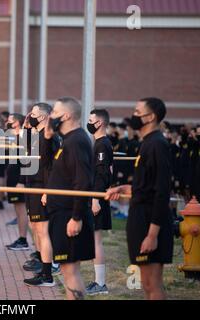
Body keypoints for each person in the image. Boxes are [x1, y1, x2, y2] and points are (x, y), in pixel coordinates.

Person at [106, 97, 173, 300]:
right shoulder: (147, 144)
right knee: (145, 283)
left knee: (152, 284)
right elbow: (147, 186)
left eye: (137, 112)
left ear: (151, 117)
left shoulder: (157, 144)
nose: (134, 116)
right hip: (139, 218)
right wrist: (126, 187)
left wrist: (152, 235)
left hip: (149, 222)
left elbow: (162, 193)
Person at [44, 97, 95, 299]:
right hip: (60, 213)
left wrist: (76, 217)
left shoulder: (76, 141)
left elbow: (83, 182)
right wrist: (48, 137)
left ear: (66, 116)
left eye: (54, 113)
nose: (50, 117)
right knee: (67, 270)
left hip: (69, 216)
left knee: (70, 270)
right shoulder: (67, 140)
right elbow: (49, 166)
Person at [20, 103, 60, 286]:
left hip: (42, 187)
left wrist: (47, 191)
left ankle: (48, 274)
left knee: (43, 231)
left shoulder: (49, 136)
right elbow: (24, 149)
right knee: (36, 228)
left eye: (34, 114)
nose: (30, 116)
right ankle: (43, 267)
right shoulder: (36, 134)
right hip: (32, 186)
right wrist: (26, 127)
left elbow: (53, 167)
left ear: (43, 117)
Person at [85, 109, 113, 295]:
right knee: (93, 240)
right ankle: (98, 281)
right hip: (95, 196)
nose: (88, 123)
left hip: (98, 198)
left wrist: (96, 199)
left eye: (91, 120)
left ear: (100, 123)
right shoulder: (99, 143)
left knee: (96, 241)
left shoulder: (102, 144)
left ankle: (101, 284)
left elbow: (102, 175)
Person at [4, 113, 29, 251]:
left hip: (19, 179)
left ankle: (23, 239)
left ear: (18, 122)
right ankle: (21, 238)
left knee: (22, 209)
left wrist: (21, 181)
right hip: (12, 178)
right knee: (18, 209)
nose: (7, 122)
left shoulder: (24, 137)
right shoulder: (14, 137)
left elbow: (26, 161)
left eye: (10, 121)